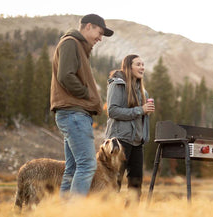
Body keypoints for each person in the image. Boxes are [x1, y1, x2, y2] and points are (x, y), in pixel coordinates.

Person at [50, 14, 114, 197]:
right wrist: (87, 94)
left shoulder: (78, 46)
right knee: (87, 164)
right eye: (99, 33)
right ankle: (75, 212)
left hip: (73, 114)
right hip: (74, 113)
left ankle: (63, 211)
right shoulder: (71, 43)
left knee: (73, 168)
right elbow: (65, 76)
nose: (100, 38)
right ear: (89, 26)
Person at [105, 54, 154, 203]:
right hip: (119, 142)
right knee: (114, 184)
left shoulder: (143, 92)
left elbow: (139, 116)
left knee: (136, 186)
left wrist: (146, 113)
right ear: (128, 67)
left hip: (137, 142)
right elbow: (112, 111)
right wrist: (140, 110)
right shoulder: (117, 84)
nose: (142, 67)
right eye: (138, 64)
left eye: (143, 64)